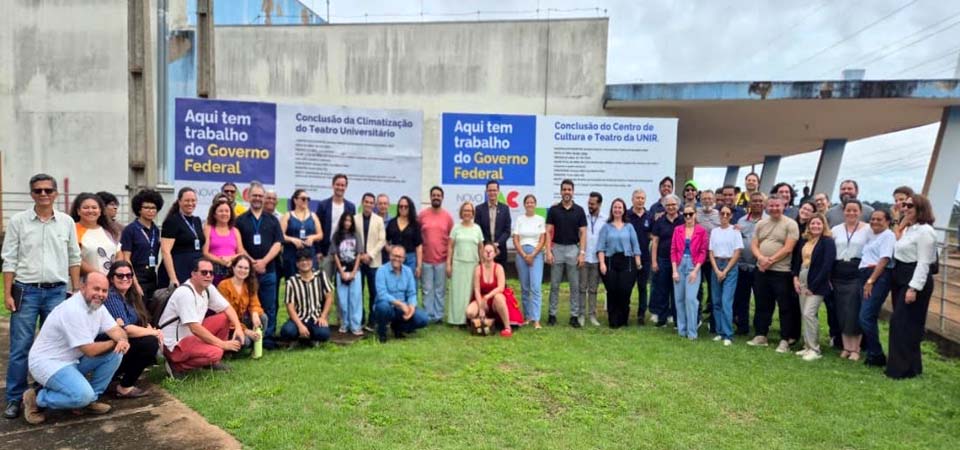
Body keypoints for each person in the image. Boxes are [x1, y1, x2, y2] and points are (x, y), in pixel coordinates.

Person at [2, 173, 82, 419]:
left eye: (48, 190)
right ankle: (15, 397)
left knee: (56, 346)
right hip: (26, 290)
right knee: (21, 347)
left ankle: (42, 393)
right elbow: (9, 258)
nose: (43, 194)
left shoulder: (66, 222)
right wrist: (7, 293)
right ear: (32, 194)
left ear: (56, 193)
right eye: (38, 190)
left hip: (57, 291)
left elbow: (74, 257)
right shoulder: (18, 221)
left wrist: (75, 290)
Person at [21, 272, 127, 424]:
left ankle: (89, 401)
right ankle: (37, 398)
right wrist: (115, 343)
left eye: (104, 290)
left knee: (115, 354)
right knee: (82, 396)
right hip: (48, 363)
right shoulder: (72, 309)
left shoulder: (97, 306)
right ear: (83, 287)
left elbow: (116, 329)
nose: (100, 294)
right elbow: (90, 350)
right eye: (96, 289)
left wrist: (121, 340)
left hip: (72, 360)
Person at [158, 258, 244, 379]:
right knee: (217, 352)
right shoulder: (185, 293)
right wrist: (222, 344)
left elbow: (227, 308)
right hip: (175, 345)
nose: (208, 276)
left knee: (224, 318)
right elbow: (194, 328)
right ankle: (176, 366)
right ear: (193, 274)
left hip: (190, 336)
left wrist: (238, 328)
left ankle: (210, 361)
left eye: (211, 273)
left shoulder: (208, 288)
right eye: (204, 272)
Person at [886, 194, 938, 379]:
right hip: (900, 276)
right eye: (904, 205)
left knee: (902, 324)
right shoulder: (909, 228)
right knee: (906, 324)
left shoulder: (925, 232)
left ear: (920, 209)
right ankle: (912, 367)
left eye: (910, 206)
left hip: (914, 279)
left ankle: (900, 369)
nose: (905, 208)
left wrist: (913, 288)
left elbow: (924, 263)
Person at [748, 196, 801, 353]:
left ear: (783, 206)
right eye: (771, 206)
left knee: (785, 306)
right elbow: (754, 244)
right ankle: (761, 334)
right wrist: (761, 258)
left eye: (777, 205)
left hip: (781, 272)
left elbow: (788, 248)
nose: (774, 208)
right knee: (762, 304)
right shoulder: (761, 224)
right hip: (762, 270)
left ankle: (784, 339)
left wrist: (770, 260)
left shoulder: (791, 224)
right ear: (766, 207)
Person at [235, 182, 283, 349]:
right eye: (254, 195)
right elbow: (239, 246)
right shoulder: (240, 220)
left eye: (260, 196)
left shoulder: (273, 220)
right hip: (247, 272)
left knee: (269, 305)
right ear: (248, 197)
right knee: (247, 305)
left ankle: (267, 339)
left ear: (264, 198)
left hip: (269, 270)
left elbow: (278, 243)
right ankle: (249, 336)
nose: (257, 198)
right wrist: (252, 263)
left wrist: (263, 262)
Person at [104, 261, 160, 398]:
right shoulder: (111, 296)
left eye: (129, 275)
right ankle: (124, 387)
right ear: (111, 278)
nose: (125, 278)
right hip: (107, 347)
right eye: (120, 276)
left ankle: (116, 378)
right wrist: (154, 332)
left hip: (122, 345)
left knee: (149, 340)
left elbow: (142, 320)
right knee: (149, 343)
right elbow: (126, 329)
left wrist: (149, 328)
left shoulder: (130, 295)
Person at [790, 214, 835, 361]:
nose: (815, 226)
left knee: (809, 313)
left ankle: (815, 349)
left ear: (824, 225)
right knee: (804, 313)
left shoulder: (827, 242)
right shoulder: (805, 240)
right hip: (802, 275)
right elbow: (798, 260)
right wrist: (795, 278)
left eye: (818, 223)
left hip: (817, 281)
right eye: (813, 223)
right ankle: (807, 346)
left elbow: (827, 266)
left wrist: (813, 286)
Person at [830, 199, 870, 361]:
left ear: (860, 212)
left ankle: (856, 349)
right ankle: (846, 347)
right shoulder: (836, 230)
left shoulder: (867, 229)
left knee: (854, 309)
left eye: (855, 210)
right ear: (843, 211)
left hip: (857, 271)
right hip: (839, 271)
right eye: (848, 210)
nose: (851, 213)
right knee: (841, 310)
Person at [546, 179, 588, 328]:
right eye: (564, 189)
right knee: (554, 285)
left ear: (573, 191)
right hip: (557, 249)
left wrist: (582, 253)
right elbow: (548, 231)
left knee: (574, 286)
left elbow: (583, 233)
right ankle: (552, 315)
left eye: (569, 189)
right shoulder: (554, 210)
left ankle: (574, 316)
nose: (566, 192)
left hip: (573, 249)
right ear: (561, 191)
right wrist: (548, 251)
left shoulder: (579, 210)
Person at [859, 209, 896, 367]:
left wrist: (871, 280)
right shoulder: (871, 234)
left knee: (866, 316)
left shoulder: (888, 235)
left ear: (887, 221)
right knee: (866, 316)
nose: (874, 222)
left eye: (879, 219)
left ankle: (877, 354)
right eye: (872, 219)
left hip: (877, 276)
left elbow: (884, 259)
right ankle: (871, 351)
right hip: (865, 273)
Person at [597, 198, 642, 328]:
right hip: (610, 261)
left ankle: (623, 319)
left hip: (627, 261)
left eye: (620, 207)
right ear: (612, 209)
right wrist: (602, 263)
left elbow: (635, 246)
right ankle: (613, 320)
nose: (617, 210)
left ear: (624, 210)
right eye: (615, 207)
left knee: (625, 290)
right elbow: (600, 247)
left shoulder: (629, 227)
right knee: (612, 290)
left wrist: (638, 263)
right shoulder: (606, 227)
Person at [467, 242, 523, 337]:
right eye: (486, 251)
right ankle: (484, 322)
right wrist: (481, 306)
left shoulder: (499, 268)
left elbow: (501, 287)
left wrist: (488, 296)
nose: (488, 253)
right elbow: (476, 289)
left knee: (498, 297)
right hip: (482, 297)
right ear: (482, 253)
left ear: (495, 253)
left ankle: (507, 327)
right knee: (470, 312)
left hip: (495, 296)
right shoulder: (478, 269)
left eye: (491, 251)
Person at [374, 246, 428, 342]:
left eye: (400, 257)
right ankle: (382, 332)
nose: (397, 259)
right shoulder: (381, 270)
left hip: (402, 308)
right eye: (394, 256)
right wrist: (399, 304)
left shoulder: (408, 271)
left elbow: (412, 293)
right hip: (388, 306)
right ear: (390, 256)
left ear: (404, 258)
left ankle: (398, 328)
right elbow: (382, 294)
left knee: (423, 318)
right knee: (383, 308)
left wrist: (411, 307)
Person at [280, 248, 333, 346]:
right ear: (297, 264)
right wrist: (300, 325)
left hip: (315, 317)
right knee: (286, 332)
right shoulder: (291, 282)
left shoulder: (321, 276)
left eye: (307, 260)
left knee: (324, 334)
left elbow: (329, 297)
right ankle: (300, 336)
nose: (304, 263)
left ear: (312, 261)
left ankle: (310, 337)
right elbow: (290, 307)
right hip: (299, 317)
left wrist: (323, 317)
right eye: (301, 261)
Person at [671, 204, 708, 339]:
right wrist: (674, 270)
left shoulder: (701, 231)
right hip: (679, 265)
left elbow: (703, 252)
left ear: (695, 214)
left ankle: (692, 332)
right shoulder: (677, 230)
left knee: (691, 299)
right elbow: (673, 250)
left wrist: (696, 270)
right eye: (685, 214)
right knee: (679, 299)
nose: (688, 217)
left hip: (693, 265)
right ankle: (682, 330)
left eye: (690, 214)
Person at [121, 189, 164, 301]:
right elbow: (126, 258)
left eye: (153, 208)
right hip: (136, 274)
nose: (150, 211)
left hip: (152, 274)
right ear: (139, 209)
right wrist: (135, 283)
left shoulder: (155, 230)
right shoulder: (130, 230)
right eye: (146, 208)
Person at [709, 204, 743, 345]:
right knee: (716, 301)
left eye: (727, 214)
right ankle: (720, 332)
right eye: (722, 213)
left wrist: (725, 271)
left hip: (730, 265)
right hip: (716, 265)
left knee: (726, 301)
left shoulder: (735, 231)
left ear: (731, 216)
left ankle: (728, 335)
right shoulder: (714, 231)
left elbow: (737, 252)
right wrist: (717, 270)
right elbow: (711, 252)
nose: (724, 216)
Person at [419, 187, 453, 324]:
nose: (436, 197)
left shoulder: (448, 217)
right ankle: (428, 315)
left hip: (442, 259)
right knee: (427, 289)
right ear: (430, 197)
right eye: (434, 195)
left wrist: (449, 260)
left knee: (440, 290)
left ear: (442, 197)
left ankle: (438, 316)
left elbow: (451, 240)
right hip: (425, 259)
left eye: (438, 195)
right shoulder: (422, 215)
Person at [446, 202, 484, 325]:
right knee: (457, 293)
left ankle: (469, 319)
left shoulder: (477, 228)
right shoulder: (456, 228)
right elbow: (450, 247)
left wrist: (483, 266)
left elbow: (481, 248)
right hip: (458, 264)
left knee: (470, 293)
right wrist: (448, 264)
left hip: (473, 265)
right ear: (461, 212)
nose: (467, 213)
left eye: (469, 211)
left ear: (473, 213)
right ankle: (456, 320)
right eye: (465, 210)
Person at [216, 255, 266, 349]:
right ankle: (229, 348)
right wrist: (246, 331)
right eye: (240, 267)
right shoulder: (224, 285)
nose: (243, 270)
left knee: (262, 317)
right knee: (245, 342)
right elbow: (227, 315)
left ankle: (256, 347)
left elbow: (255, 303)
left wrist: (255, 314)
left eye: (246, 268)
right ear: (233, 267)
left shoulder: (250, 284)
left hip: (242, 320)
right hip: (228, 324)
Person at [733, 192, 765, 336]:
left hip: (761, 266)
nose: (757, 203)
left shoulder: (768, 221)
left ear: (764, 203)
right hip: (743, 266)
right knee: (742, 298)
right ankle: (742, 326)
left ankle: (760, 328)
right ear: (750, 204)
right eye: (754, 201)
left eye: (760, 201)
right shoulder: (742, 221)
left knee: (761, 299)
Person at [512, 194, 546, 329]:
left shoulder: (540, 219)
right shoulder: (520, 219)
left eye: (532, 202)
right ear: (524, 204)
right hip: (522, 254)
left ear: (535, 204)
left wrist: (532, 255)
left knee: (535, 287)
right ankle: (527, 317)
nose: (530, 204)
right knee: (525, 287)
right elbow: (515, 239)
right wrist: (524, 255)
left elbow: (542, 239)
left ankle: (536, 320)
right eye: (527, 202)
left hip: (536, 254)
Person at [159, 187, 204, 288]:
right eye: (187, 200)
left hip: (194, 269)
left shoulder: (197, 221)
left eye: (193, 200)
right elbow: (165, 251)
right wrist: (173, 278)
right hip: (178, 268)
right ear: (179, 201)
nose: (190, 203)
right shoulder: (172, 221)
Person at [650, 194, 683, 327]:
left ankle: (676, 319)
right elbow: (655, 242)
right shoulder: (660, 221)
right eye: (668, 205)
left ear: (678, 206)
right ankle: (662, 318)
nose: (671, 207)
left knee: (677, 291)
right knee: (662, 290)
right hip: (663, 259)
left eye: (673, 204)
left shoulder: (683, 220)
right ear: (664, 207)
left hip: (679, 261)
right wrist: (654, 261)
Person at [315, 174, 356, 280]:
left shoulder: (351, 207)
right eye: (338, 184)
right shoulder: (323, 205)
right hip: (326, 251)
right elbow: (317, 228)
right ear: (333, 185)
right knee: (325, 282)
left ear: (346, 187)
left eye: (343, 185)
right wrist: (318, 251)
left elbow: (352, 230)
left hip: (345, 252)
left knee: (342, 284)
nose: (340, 187)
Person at [355, 193, 386, 329]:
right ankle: (360, 319)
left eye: (371, 202)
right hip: (359, 261)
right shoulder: (355, 219)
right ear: (362, 202)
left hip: (374, 262)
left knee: (374, 292)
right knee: (358, 291)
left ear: (374, 205)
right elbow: (352, 238)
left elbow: (382, 240)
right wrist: (361, 255)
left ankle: (372, 321)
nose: (368, 204)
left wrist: (370, 255)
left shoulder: (379, 220)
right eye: (366, 202)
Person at [71, 192, 121, 276]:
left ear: (100, 211)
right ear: (78, 211)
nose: (90, 211)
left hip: (112, 280)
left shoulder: (109, 230)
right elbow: (75, 259)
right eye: (86, 208)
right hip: (87, 281)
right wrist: (100, 276)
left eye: (94, 208)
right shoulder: (73, 230)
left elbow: (119, 254)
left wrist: (114, 274)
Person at [333, 212, 364, 335]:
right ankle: (344, 324)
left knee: (355, 299)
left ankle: (355, 325)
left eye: (350, 221)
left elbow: (359, 254)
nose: (347, 223)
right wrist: (341, 272)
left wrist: (354, 272)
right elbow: (335, 255)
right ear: (342, 221)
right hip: (341, 271)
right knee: (342, 300)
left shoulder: (356, 235)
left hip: (355, 271)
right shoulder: (336, 236)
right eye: (345, 220)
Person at [202, 198, 247, 285]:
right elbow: (205, 252)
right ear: (214, 214)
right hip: (213, 271)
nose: (224, 213)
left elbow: (241, 253)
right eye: (221, 211)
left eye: (227, 211)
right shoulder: (208, 229)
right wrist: (221, 261)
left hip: (232, 270)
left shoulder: (235, 231)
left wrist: (230, 258)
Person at [626, 188, 653, 325]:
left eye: (642, 198)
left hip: (645, 258)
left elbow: (652, 235)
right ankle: (625, 312)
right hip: (629, 258)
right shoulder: (626, 215)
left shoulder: (649, 216)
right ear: (632, 200)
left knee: (642, 287)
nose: (640, 200)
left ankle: (641, 315)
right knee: (627, 287)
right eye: (637, 198)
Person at [280, 189, 323, 278]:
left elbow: (320, 235)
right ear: (295, 200)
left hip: (309, 255)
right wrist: (292, 240)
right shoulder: (288, 215)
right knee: (292, 280)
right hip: (292, 255)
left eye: (308, 199)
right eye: (303, 199)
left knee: (311, 281)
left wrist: (312, 238)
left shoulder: (313, 216)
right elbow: (280, 235)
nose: (306, 201)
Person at [697, 189, 720, 332]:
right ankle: (697, 316)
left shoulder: (720, 215)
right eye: (704, 198)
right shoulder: (695, 213)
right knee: (697, 289)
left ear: (714, 200)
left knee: (713, 290)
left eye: (709, 198)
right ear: (700, 200)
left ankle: (713, 319)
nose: (707, 201)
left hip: (713, 259)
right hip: (698, 258)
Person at [581, 192, 605, 326]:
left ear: (599, 204)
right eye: (589, 203)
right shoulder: (583, 217)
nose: (590, 206)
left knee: (593, 289)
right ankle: (581, 315)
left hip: (597, 259)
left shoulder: (605, 220)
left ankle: (592, 315)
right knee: (581, 288)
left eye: (593, 204)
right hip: (584, 258)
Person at [474, 180, 512, 265]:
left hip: (500, 251)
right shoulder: (479, 209)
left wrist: (497, 244)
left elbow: (507, 231)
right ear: (486, 192)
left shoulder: (505, 209)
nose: (492, 193)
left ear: (498, 191)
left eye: (494, 190)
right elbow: (478, 230)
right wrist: (489, 245)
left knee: (500, 273)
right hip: (484, 251)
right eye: (490, 190)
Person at [385, 195, 423, 277]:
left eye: (406, 207)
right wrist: (388, 248)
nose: (403, 208)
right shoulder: (392, 223)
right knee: (394, 281)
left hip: (410, 259)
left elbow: (419, 246)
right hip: (395, 259)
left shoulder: (415, 224)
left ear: (410, 208)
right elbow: (385, 240)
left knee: (410, 282)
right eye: (401, 206)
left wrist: (419, 266)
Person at [376, 193, 392, 264]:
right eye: (380, 204)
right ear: (376, 205)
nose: (383, 206)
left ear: (388, 205)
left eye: (385, 203)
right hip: (375, 255)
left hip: (388, 256)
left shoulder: (393, 221)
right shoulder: (372, 219)